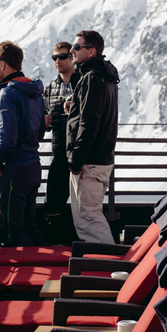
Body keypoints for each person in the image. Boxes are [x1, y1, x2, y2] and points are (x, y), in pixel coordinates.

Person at [0, 41, 48, 247]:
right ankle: (52, 270)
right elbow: (39, 131)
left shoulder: (8, 93)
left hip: (13, 170)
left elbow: (7, 140)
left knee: (11, 233)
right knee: (30, 227)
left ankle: (22, 277)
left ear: (2, 65)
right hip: (32, 167)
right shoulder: (34, 92)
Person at [66, 30, 119, 244]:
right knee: (90, 216)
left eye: (77, 47)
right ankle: (103, 266)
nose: (71, 50)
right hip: (101, 159)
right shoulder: (106, 76)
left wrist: (76, 161)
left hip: (89, 161)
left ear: (91, 51)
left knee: (89, 219)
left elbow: (89, 123)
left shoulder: (92, 78)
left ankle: (111, 269)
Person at [42, 41, 80, 243]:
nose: (58, 61)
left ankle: (80, 249)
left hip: (81, 155)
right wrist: (46, 120)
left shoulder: (83, 82)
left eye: (62, 56)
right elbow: (45, 121)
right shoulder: (49, 88)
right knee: (51, 207)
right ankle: (58, 247)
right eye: (54, 57)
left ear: (72, 57)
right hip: (58, 155)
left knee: (81, 207)